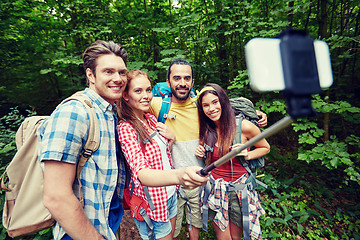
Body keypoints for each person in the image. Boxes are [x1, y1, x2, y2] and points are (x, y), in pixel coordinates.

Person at [149, 59, 268, 240]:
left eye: (187, 78)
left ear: (192, 82)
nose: (182, 83)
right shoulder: (158, 105)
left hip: (218, 183)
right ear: (168, 82)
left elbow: (223, 105)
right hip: (185, 181)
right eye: (177, 78)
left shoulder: (200, 104)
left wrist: (256, 114)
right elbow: (134, 103)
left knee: (223, 233)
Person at [38, 40, 128, 240]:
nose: (118, 78)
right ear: (90, 75)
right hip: (79, 232)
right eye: (108, 72)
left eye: (122, 72)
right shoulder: (74, 113)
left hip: (105, 225)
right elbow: (56, 197)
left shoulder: (109, 112)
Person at [117, 70, 208, 240]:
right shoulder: (126, 128)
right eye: (138, 91)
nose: (145, 96)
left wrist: (171, 139)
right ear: (125, 95)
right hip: (153, 203)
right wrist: (180, 176)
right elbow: (141, 173)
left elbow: (161, 155)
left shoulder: (151, 119)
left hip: (171, 195)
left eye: (148, 90)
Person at [195, 83, 270, 240]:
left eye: (215, 102)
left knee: (236, 237)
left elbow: (265, 147)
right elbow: (210, 159)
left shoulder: (244, 126)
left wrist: (247, 154)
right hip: (216, 190)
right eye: (206, 105)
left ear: (223, 101)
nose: (211, 108)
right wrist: (201, 152)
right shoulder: (206, 129)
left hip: (240, 190)